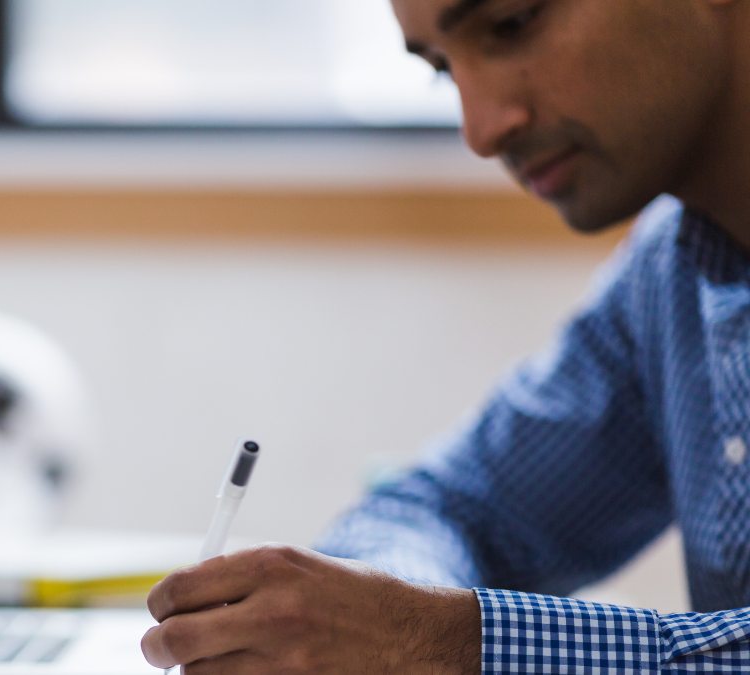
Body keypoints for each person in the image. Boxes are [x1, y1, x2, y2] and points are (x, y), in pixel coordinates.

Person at [140, 0, 750, 672]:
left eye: (512, 24)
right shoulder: (671, 272)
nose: (481, 130)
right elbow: (453, 508)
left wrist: (441, 640)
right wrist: (375, 617)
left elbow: (433, 626)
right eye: (440, 69)